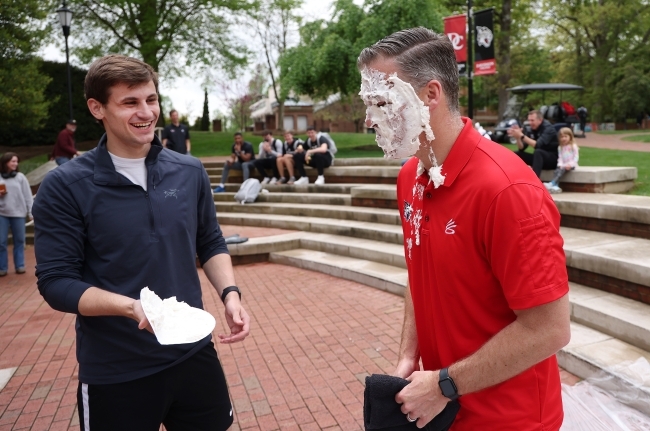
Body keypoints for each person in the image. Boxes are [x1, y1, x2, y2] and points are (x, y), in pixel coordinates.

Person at [358, 28, 570, 430]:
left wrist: (445, 383)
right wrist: (409, 355)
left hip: (511, 418)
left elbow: (550, 329)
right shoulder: (411, 176)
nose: (369, 119)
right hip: (440, 408)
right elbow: (419, 271)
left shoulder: (508, 190)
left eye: (380, 102)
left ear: (431, 95)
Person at [33, 54, 250, 431]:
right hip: (116, 369)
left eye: (151, 99)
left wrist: (230, 294)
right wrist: (132, 307)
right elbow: (56, 283)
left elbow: (209, 239)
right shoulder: (64, 186)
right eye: (130, 102)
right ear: (96, 108)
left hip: (194, 352)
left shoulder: (188, 170)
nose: (146, 112)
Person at [0, 152, 33, 276]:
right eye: (12, 161)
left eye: (16, 161)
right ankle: (2, 268)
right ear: (5, 162)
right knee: (1, 242)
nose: (15, 163)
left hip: (18, 213)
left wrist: (31, 212)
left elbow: (28, 196)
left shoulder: (20, 177)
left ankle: (20, 266)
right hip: (1, 213)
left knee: (19, 240)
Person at [508, 110, 559, 178]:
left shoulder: (548, 128)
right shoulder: (531, 128)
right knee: (516, 154)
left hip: (552, 160)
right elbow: (522, 148)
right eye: (529, 120)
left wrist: (521, 136)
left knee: (538, 152)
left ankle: (534, 180)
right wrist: (518, 138)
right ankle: (513, 177)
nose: (530, 123)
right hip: (538, 159)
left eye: (532, 120)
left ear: (540, 120)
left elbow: (538, 145)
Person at [544, 127, 579, 194]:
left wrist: (570, 164)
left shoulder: (573, 146)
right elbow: (560, 157)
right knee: (557, 170)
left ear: (570, 137)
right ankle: (556, 186)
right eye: (562, 137)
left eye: (565, 136)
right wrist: (560, 164)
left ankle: (552, 183)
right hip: (563, 165)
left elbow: (576, 157)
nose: (563, 138)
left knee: (561, 170)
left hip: (571, 165)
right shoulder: (560, 147)